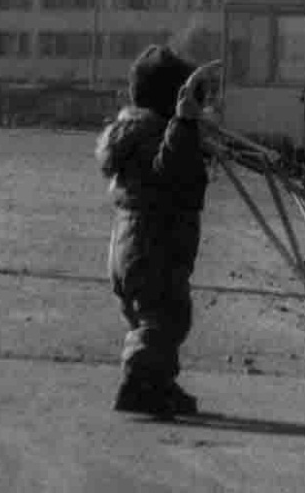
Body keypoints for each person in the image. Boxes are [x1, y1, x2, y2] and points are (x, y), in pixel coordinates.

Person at [96, 45, 216, 418]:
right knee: (166, 318)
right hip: (154, 246)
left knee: (156, 320)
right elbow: (171, 168)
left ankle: (158, 381)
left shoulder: (135, 130)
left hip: (134, 244)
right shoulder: (157, 133)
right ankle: (139, 383)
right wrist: (183, 125)